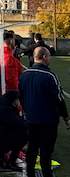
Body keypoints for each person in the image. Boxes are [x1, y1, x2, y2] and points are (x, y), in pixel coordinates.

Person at [18, 46, 70, 177]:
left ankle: (30, 173)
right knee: (46, 150)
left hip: (31, 119)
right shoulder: (50, 76)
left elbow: (21, 96)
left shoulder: (24, 75)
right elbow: (59, 99)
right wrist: (66, 117)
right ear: (45, 57)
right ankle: (47, 174)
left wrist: (25, 111)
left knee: (32, 148)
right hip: (48, 120)